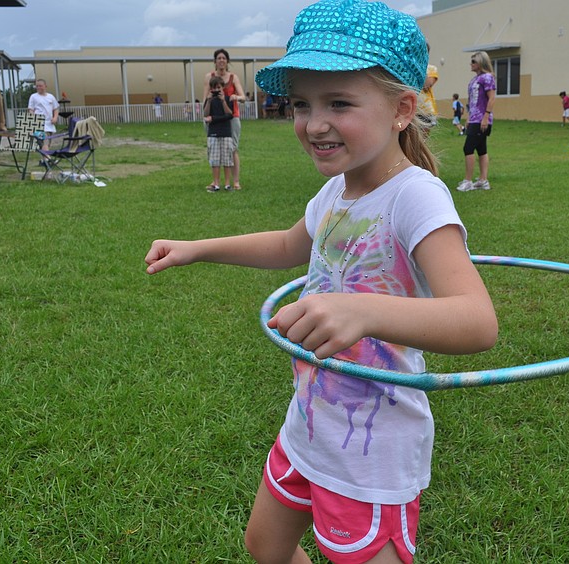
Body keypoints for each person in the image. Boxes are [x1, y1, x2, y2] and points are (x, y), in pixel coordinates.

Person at [145, 1, 497, 561]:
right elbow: (288, 246)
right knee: (265, 545)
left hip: (371, 445)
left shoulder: (416, 196)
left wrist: (364, 312)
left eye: (339, 102)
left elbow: (477, 320)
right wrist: (199, 249)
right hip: (310, 421)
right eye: (302, 104)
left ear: (402, 108)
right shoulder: (337, 191)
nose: (314, 123)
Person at [204, 49, 245, 190]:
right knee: (213, 148)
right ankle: (215, 181)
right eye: (218, 58)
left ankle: (235, 181)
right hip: (214, 118)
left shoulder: (234, 77)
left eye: (224, 58)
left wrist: (235, 97)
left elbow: (243, 97)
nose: (221, 60)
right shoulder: (209, 77)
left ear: (227, 61)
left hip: (231, 117)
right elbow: (205, 98)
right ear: (215, 61)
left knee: (232, 149)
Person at [456, 51, 496, 192]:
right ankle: (483, 180)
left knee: (468, 148)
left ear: (480, 63)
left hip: (482, 119)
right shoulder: (474, 80)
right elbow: (472, 101)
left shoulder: (487, 78)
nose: (471, 64)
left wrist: (486, 117)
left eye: (473, 61)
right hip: (474, 119)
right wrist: (468, 118)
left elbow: (491, 98)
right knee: (481, 149)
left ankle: (468, 181)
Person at [203, 75, 236, 192]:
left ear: (223, 88)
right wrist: (209, 100)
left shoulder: (227, 99)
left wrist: (222, 101)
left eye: (218, 88)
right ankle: (216, 183)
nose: (216, 90)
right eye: (214, 88)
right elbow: (205, 114)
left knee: (227, 159)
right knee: (215, 160)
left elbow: (229, 114)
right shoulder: (209, 100)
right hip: (213, 133)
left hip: (226, 132)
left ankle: (227, 184)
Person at [27, 78, 59, 151]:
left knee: (48, 143)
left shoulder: (51, 97)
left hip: (49, 123)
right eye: (37, 86)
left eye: (40, 86)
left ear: (45, 86)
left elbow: (56, 108)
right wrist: (34, 118)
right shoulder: (33, 96)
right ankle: (48, 160)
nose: (38, 88)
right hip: (39, 124)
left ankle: (44, 161)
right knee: (45, 142)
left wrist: (55, 117)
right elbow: (30, 109)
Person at [417, 43, 439, 133]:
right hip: (411, 108)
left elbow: (426, 85)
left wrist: (421, 67)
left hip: (426, 110)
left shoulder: (431, 69)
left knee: (423, 140)